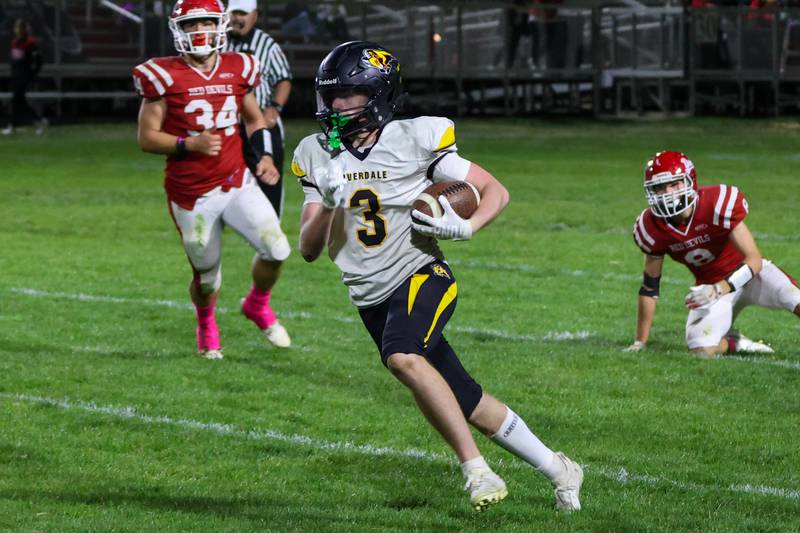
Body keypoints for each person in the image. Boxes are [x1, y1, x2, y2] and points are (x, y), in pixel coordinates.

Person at [293, 40, 583, 512]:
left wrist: (466, 225)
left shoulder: (417, 136)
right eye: (329, 96)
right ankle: (559, 468)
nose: (334, 106)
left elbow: (495, 190)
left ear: (378, 94)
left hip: (421, 272)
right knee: (467, 399)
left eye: (346, 95)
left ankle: (476, 470)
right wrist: (326, 203)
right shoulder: (315, 153)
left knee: (403, 358)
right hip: (369, 296)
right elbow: (309, 250)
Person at [134, 0, 291, 359]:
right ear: (179, 31)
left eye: (206, 22)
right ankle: (206, 322)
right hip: (192, 194)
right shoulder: (163, 75)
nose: (199, 30)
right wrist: (188, 144)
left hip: (237, 181)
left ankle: (257, 303)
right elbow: (146, 138)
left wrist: (264, 153)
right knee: (207, 278)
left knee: (277, 248)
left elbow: (253, 118)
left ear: (220, 26)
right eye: (191, 24)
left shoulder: (239, 66)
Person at [626, 150, 800, 356]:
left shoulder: (716, 204)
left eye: (674, 184)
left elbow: (754, 261)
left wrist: (720, 288)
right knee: (700, 349)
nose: (668, 193)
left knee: (793, 298)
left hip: (750, 277)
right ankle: (734, 343)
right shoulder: (650, 227)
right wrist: (640, 342)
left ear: (690, 181)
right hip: (710, 288)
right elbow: (649, 288)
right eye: (660, 188)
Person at [226, 0, 292, 218]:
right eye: (234, 12)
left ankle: (271, 233)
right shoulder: (219, 42)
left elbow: (283, 79)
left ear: (255, 15)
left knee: (268, 183)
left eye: (243, 13)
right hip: (228, 126)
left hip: (261, 124)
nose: (237, 18)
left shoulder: (267, 44)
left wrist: (274, 108)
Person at [2, 18, 47, 136]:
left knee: (16, 100)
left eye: (18, 28)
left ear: (23, 29)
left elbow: (38, 61)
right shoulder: (14, 42)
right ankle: (39, 121)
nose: (16, 30)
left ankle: (13, 126)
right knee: (20, 102)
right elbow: (13, 59)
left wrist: (32, 74)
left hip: (24, 76)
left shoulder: (29, 43)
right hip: (15, 76)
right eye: (15, 28)